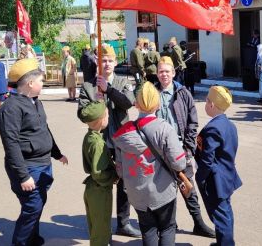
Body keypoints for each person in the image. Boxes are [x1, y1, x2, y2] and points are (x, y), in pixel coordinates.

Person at [0, 58, 69, 246]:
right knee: (32, 207)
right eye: (41, 80)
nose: (42, 84)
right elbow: (10, 144)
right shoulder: (10, 108)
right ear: (30, 83)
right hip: (28, 168)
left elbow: (44, 130)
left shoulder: (35, 102)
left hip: (43, 164)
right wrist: (23, 176)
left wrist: (57, 153)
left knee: (36, 205)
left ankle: (32, 239)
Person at [112, 82, 187, 246]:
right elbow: (178, 163)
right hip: (163, 192)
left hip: (137, 193)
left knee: (147, 230)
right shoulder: (164, 129)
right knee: (167, 228)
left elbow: (120, 170)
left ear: (136, 104)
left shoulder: (123, 132)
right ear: (158, 103)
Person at [78, 44, 141, 238]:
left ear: (115, 62)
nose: (106, 64)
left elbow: (128, 103)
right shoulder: (88, 86)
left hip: (121, 141)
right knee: (102, 183)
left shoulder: (123, 81)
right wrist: (98, 102)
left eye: (110, 60)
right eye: (103, 60)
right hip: (100, 143)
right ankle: (103, 229)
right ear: (98, 63)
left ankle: (123, 222)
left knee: (124, 183)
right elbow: (81, 113)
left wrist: (109, 90)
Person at [153, 56, 216, 237]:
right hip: (158, 151)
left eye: (167, 71)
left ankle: (198, 223)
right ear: (157, 74)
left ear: (173, 73)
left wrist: (188, 148)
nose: (164, 74)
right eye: (161, 71)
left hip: (180, 150)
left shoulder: (183, 93)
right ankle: (168, 225)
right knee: (164, 190)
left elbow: (192, 122)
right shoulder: (152, 93)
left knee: (188, 187)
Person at [195, 85, 242, 246]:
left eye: (207, 100)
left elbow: (207, 159)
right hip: (227, 176)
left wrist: (199, 177)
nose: (206, 103)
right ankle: (223, 242)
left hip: (216, 181)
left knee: (221, 218)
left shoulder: (213, 128)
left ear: (212, 105)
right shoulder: (229, 125)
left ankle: (226, 243)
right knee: (225, 213)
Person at [78, 101, 118, 246]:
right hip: (100, 190)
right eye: (107, 115)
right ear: (101, 120)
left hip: (92, 189)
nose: (108, 118)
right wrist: (115, 176)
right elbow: (99, 173)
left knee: (96, 227)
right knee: (100, 233)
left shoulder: (90, 136)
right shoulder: (98, 143)